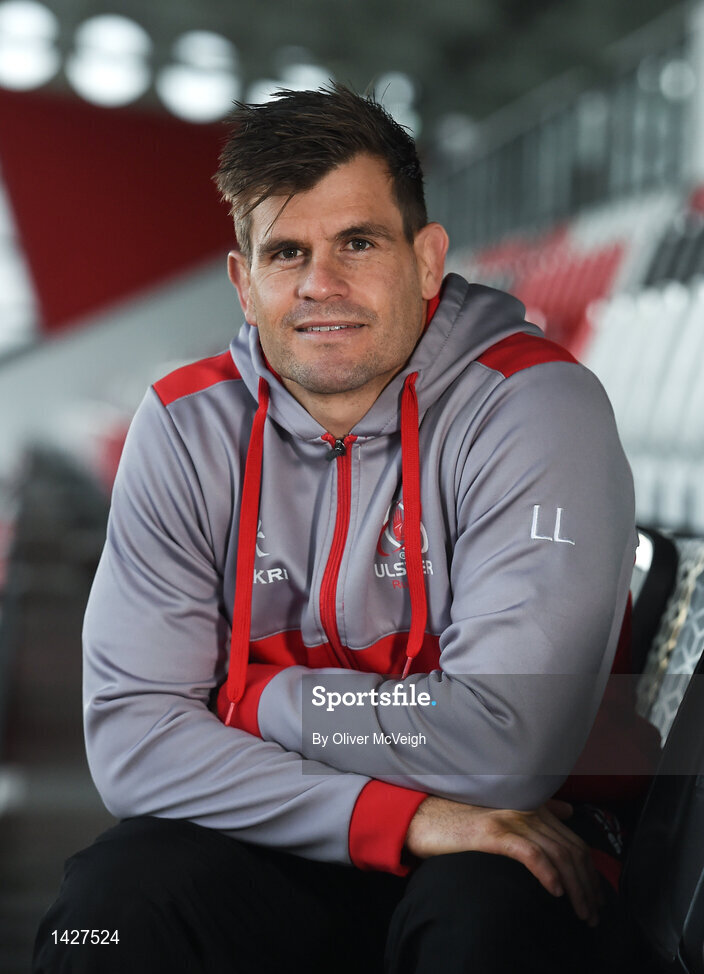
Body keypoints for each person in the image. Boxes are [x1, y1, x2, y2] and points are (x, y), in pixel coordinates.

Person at [34, 84, 643, 973]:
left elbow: (508, 744)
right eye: (286, 252)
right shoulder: (186, 423)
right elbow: (132, 741)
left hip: (516, 833)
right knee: (102, 919)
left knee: (487, 929)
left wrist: (249, 701)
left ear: (427, 260)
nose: (322, 284)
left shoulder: (535, 406)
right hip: (302, 823)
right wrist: (398, 816)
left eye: (357, 242)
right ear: (245, 283)